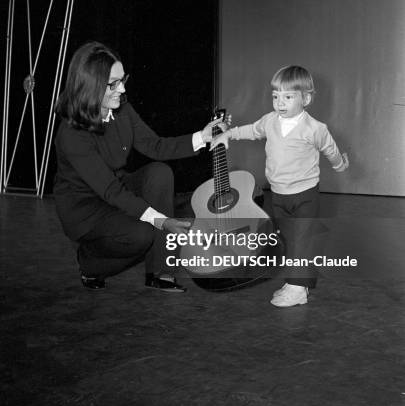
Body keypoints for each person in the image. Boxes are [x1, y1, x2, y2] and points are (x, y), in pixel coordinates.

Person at [54, 41, 225, 292]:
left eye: (123, 80)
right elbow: (110, 191)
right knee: (141, 235)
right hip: (86, 209)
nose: (122, 89)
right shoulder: (72, 134)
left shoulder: (122, 110)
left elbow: (155, 146)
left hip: (115, 187)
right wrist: (163, 222)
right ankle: (90, 264)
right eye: (113, 83)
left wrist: (203, 136)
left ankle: (160, 271)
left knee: (159, 173)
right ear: (90, 85)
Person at [211, 65, 349, 307]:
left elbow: (331, 150)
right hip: (279, 193)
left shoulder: (315, 129)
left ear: (305, 98)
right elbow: (252, 131)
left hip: (305, 193)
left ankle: (297, 288)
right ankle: (297, 281)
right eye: (275, 96)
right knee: (289, 237)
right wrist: (228, 134)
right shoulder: (270, 120)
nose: (280, 102)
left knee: (302, 239)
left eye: (288, 96)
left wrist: (339, 165)